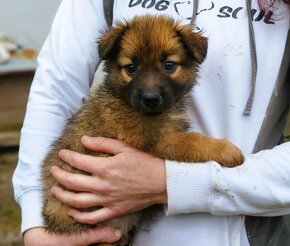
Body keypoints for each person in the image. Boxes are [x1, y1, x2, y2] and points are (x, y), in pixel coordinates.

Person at [13, 0, 290, 245]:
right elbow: (53, 94)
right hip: (101, 226)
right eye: (131, 70)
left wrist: (174, 182)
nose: (149, 89)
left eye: (169, 66)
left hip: (250, 232)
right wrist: (35, 220)